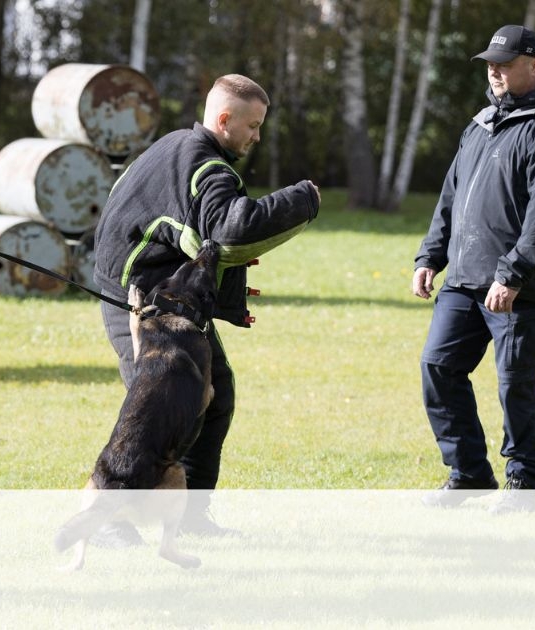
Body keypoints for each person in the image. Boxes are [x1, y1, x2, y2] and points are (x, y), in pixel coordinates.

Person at [93, 74, 320, 538]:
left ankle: (188, 517)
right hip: (141, 301)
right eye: (253, 126)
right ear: (223, 120)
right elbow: (233, 230)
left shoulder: (175, 144)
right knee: (150, 414)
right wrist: (305, 199)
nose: (257, 136)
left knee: (212, 398)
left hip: (159, 297)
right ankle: (110, 523)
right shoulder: (208, 168)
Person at [412, 25, 535, 514]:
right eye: (491, 62)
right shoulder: (481, 124)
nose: (495, 70)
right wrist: (430, 256)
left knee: (516, 385)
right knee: (438, 367)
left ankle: (524, 486)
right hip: (463, 280)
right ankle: (468, 475)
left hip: (517, 288)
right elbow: (451, 197)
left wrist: (512, 275)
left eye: (505, 63)